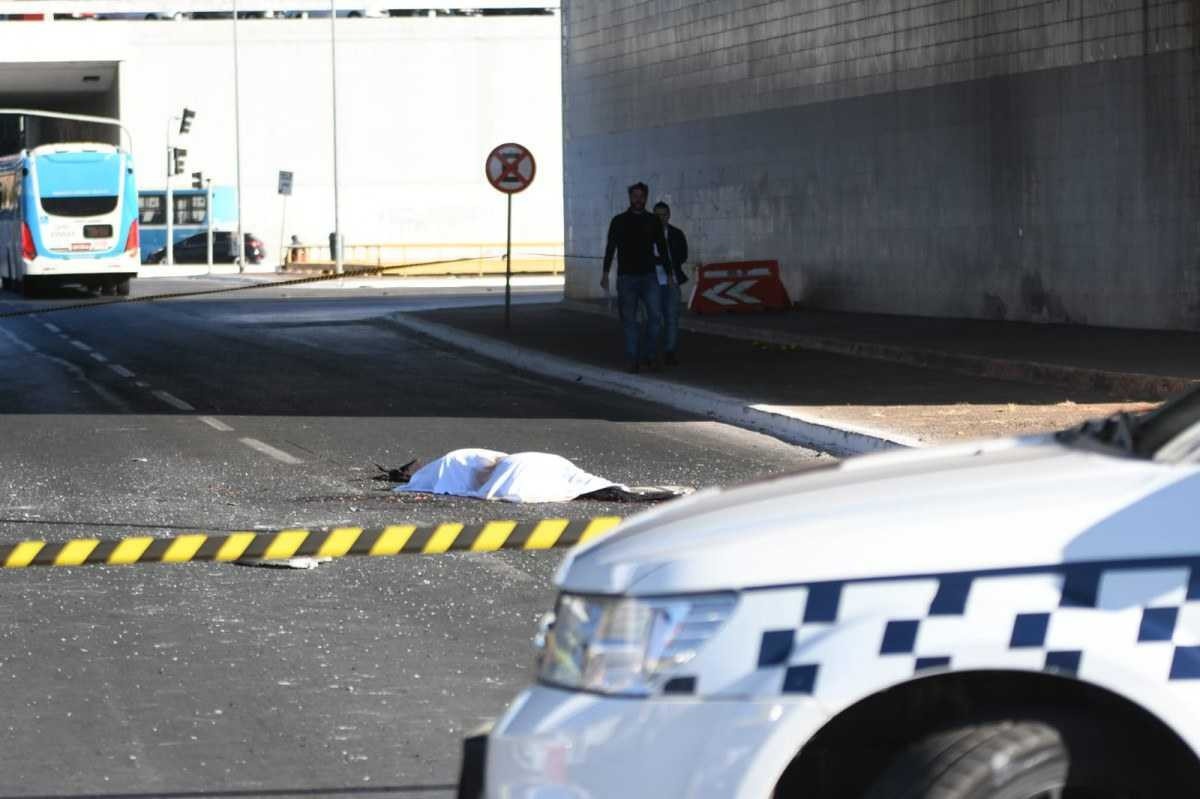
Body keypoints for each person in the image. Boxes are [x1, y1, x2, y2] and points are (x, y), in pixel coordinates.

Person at [602, 182, 668, 373]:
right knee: (629, 320)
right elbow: (610, 248)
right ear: (630, 198)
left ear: (646, 198)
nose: (638, 199)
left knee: (655, 318)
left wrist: (670, 273)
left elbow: (662, 248)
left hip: (649, 276)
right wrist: (605, 273)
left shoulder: (653, 221)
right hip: (626, 278)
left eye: (641, 196)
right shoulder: (619, 221)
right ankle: (633, 359)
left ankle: (648, 356)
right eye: (635, 196)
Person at [647, 201, 689, 365]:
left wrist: (666, 263)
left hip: (672, 282)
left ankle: (670, 352)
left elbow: (683, 255)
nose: (661, 218)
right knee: (654, 319)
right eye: (657, 215)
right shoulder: (646, 235)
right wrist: (663, 261)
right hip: (652, 282)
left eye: (663, 214)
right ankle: (652, 353)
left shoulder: (676, 234)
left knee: (672, 318)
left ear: (669, 215)